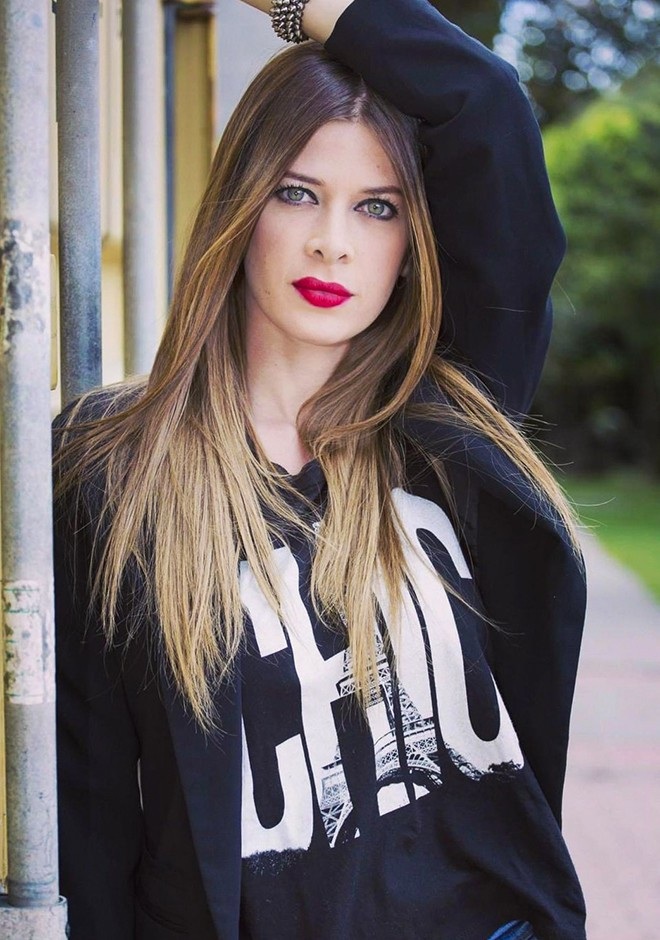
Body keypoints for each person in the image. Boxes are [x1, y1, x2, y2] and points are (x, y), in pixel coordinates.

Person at [53, 0, 588, 937]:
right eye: (297, 193)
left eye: (377, 208)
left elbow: (488, 108)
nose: (332, 241)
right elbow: (88, 814)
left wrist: (307, 9)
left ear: (411, 246)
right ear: (242, 208)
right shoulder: (115, 467)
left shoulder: (447, 426)